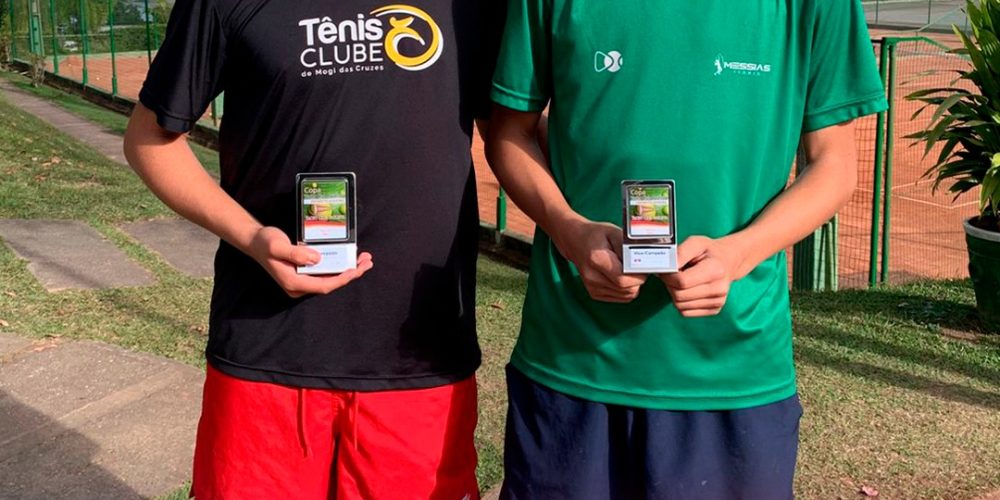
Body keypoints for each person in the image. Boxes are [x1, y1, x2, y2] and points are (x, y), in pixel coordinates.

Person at [485, 0, 887, 498]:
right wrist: (571, 232)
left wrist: (738, 254)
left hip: (733, 370)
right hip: (571, 360)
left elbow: (835, 165)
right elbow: (509, 133)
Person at [122, 0, 501, 497]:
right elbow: (149, 139)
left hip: (420, 357)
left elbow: (514, 134)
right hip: (267, 351)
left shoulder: (473, 6)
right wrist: (253, 238)